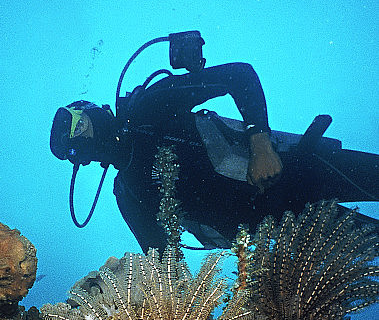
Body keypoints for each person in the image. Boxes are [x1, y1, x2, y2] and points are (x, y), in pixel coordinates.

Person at [50, 35, 379, 252]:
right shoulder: (129, 193)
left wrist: (260, 143)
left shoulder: (150, 107)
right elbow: (165, 267)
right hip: (279, 226)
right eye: (73, 149)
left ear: (91, 110)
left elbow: (239, 75)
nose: (82, 140)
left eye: (77, 125)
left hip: (299, 167)